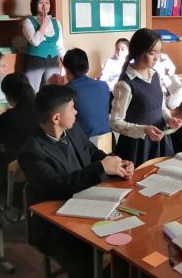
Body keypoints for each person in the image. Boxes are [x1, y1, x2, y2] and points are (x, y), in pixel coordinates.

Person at [19, 85, 133, 278]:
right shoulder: (31, 151)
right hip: (56, 223)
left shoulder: (73, 129)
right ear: (56, 118)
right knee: (84, 259)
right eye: (72, 108)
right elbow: (55, 187)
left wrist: (116, 164)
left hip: (89, 202)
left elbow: (93, 153)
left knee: (131, 239)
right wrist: (101, 168)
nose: (76, 112)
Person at [110, 28, 182, 166]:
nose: (157, 57)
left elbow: (160, 107)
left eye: (159, 52)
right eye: (152, 53)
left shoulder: (155, 75)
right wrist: (143, 129)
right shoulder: (126, 84)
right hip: (137, 147)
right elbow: (115, 122)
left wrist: (169, 119)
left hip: (160, 140)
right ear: (138, 51)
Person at [63, 48, 111, 147]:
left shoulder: (67, 91)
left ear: (67, 70)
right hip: (107, 141)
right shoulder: (103, 86)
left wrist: (55, 88)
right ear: (87, 68)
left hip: (84, 144)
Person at [22, 0, 66, 92]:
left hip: (53, 61)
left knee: (51, 91)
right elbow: (35, 42)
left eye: (47, 3)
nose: (44, 5)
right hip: (35, 61)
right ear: (35, 5)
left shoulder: (56, 22)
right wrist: (44, 24)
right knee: (32, 91)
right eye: (40, 3)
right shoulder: (28, 22)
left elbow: (60, 46)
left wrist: (66, 64)